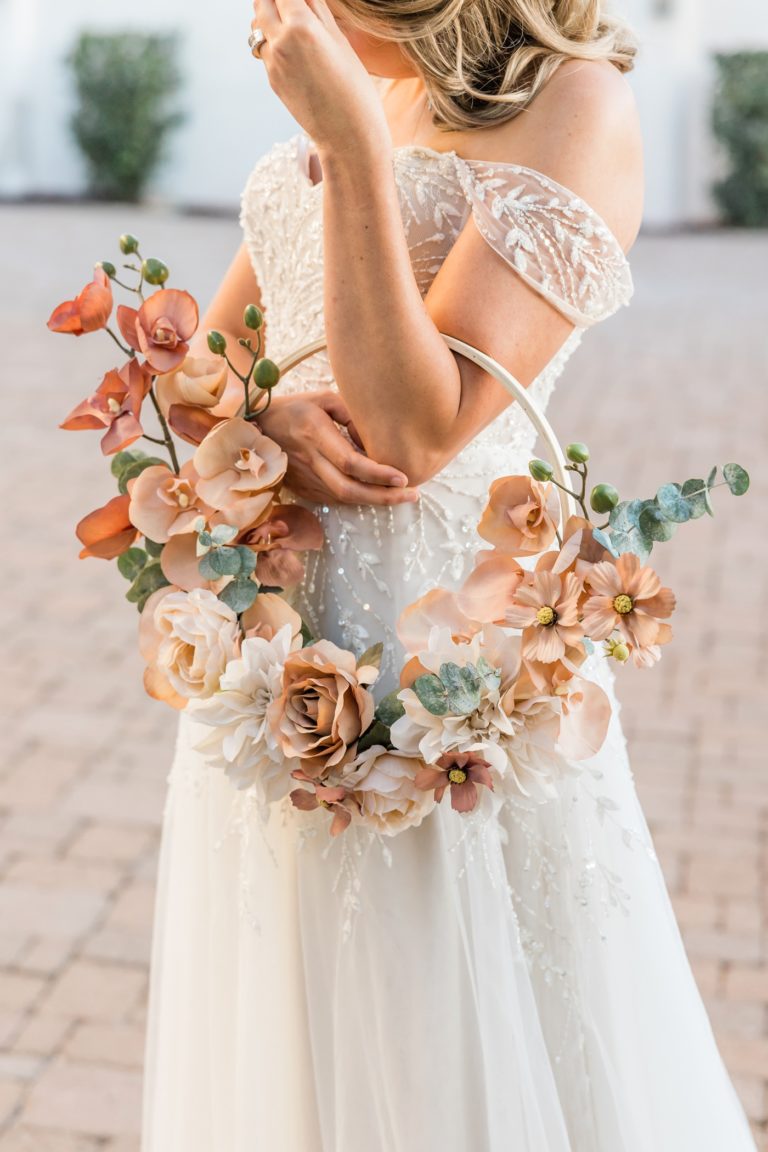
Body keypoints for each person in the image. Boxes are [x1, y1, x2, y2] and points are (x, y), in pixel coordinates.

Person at [140, 1, 758, 1149]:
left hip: (449, 667)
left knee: (459, 1002)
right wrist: (263, 416)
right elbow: (191, 381)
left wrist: (359, 153)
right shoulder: (361, 75)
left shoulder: (573, 103)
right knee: (302, 1019)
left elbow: (408, 433)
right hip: (282, 657)